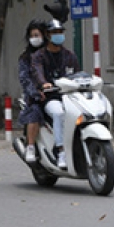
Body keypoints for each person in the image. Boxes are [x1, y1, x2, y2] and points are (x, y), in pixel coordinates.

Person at [31, 19, 80, 169]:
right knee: (58, 113)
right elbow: (37, 72)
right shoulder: (39, 56)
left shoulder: (69, 55)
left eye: (60, 32)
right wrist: (44, 83)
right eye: (54, 33)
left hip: (70, 97)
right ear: (47, 35)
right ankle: (60, 151)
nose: (58, 35)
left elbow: (78, 74)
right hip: (51, 97)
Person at [17, 19, 48, 163]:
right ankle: (30, 146)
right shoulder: (25, 58)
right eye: (32, 36)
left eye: (38, 35)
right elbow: (24, 79)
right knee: (35, 112)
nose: (35, 38)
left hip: (55, 94)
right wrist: (36, 92)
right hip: (35, 96)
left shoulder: (52, 54)